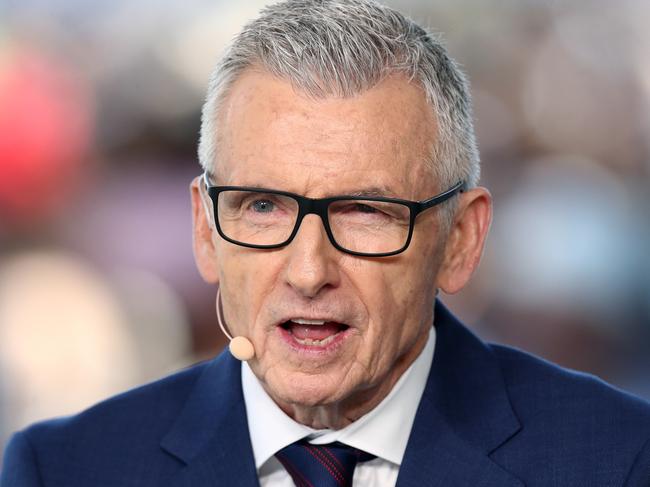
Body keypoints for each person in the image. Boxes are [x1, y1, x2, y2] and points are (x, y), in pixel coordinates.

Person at [2, 1, 650, 485]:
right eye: (261, 205)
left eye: (365, 211)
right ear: (205, 229)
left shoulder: (618, 458)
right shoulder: (63, 469)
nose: (309, 270)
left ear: (460, 240)